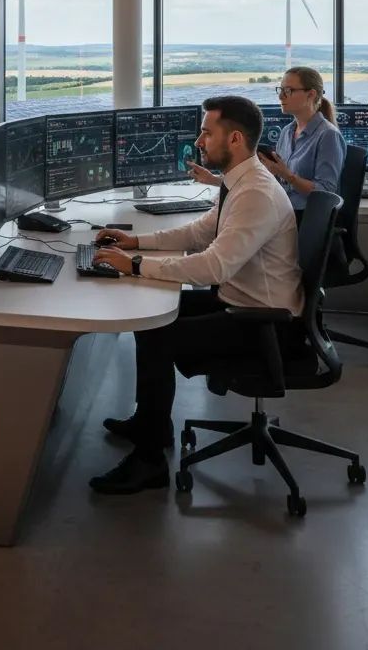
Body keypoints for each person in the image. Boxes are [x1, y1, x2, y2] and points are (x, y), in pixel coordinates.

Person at [88, 96, 304, 495]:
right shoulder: (239, 181)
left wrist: (134, 265)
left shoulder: (254, 193)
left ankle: (150, 461)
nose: (199, 140)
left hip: (264, 322)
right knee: (150, 318)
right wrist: (136, 240)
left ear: (235, 138)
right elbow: (199, 233)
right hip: (242, 302)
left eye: (207, 131)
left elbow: (212, 267)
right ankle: (151, 424)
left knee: (159, 334)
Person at [188, 67, 346, 213]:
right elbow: (270, 180)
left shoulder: (328, 135)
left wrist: (287, 175)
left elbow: (325, 193)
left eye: (288, 90)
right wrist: (214, 180)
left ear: (310, 94)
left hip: (305, 218)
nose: (280, 96)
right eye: (281, 90)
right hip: (282, 210)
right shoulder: (287, 132)